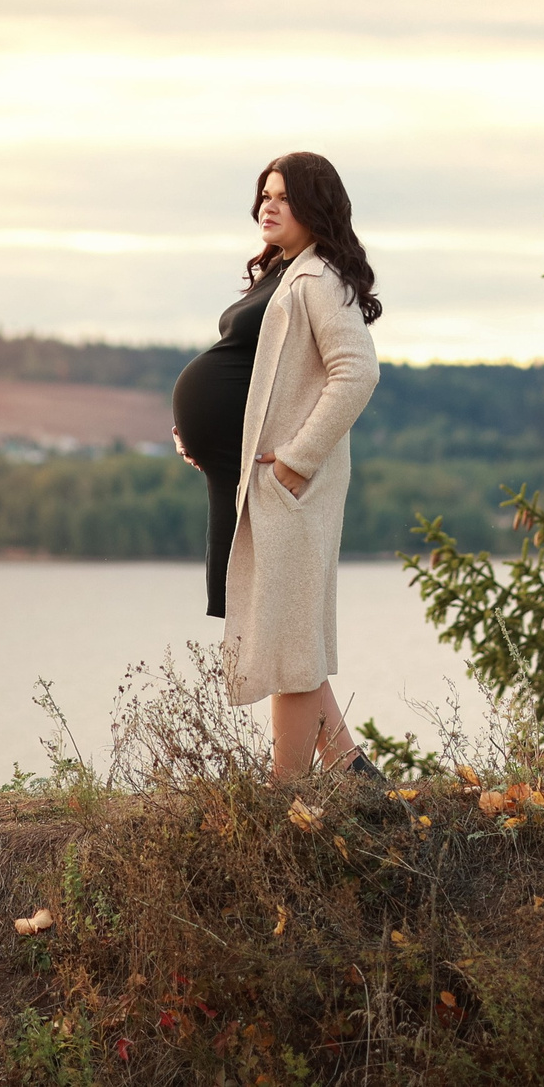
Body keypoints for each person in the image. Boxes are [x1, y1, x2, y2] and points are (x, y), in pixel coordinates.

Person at [171, 151, 384, 782]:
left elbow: (357, 374)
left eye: (284, 197)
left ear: (314, 207)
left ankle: (284, 796)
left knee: (288, 643)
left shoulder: (319, 279)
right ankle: (353, 774)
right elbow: (254, 376)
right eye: (264, 194)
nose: (268, 205)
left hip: (285, 488)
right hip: (246, 483)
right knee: (286, 635)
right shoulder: (283, 273)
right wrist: (200, 430)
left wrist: (297, 459)